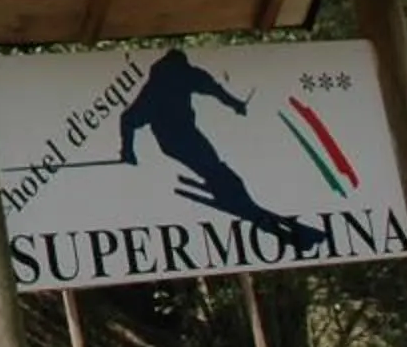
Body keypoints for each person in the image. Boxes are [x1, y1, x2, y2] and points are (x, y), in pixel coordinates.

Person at [120, 49, 327, 255]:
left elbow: (212, 88)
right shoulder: (161, 87)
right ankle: (241, 201)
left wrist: (128, 151)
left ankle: (255, 211)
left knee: (219, 173)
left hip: (182, 138)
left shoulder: (171, 79)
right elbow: (129, 119)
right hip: (177, 141)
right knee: (218, 173)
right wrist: (128, 151)